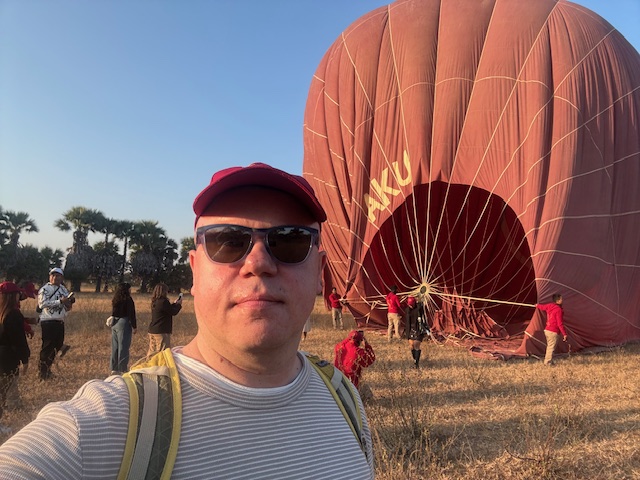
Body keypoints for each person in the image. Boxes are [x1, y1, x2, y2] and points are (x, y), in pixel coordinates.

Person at [0, 162, 374, 478]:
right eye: (228, 241)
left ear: (320, 272)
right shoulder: (108, 425)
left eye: (290, 241)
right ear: (195, 271)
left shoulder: (344, 400)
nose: (258, 262)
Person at [0, 282, 30, 435]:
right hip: (7, 360)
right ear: (13, 296)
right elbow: (19, 341)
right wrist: (25, 360)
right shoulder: (13, 314)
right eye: (18, 293)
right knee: (2, 393)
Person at [37, 267, 74, 380]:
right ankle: (42, 372)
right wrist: (59, 301)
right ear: (49, 277)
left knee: (57, 345)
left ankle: (47, 369)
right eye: (53, 275)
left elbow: (67, 306)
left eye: (57, 275)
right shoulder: (45, 289)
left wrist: (68, 303)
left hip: (59, 320)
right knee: (47, 346)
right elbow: (42, 304)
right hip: (48, 320)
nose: (55, 277)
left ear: (61, 278)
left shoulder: (63, 289)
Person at [147, 283, 182, 357]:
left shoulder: (155, 301)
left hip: (153, 330)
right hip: (161, 331)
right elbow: (173, 312)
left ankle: (148, 364)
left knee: (152, 353)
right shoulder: (164, 302)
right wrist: (179, 305)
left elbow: (167, 309)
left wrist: (174, 304)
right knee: (162, 353)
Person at [109, 282, 137, 374]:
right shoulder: (128, 299)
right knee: (123, 347)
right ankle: (122, 368)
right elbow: (131, 314)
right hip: (123, 323)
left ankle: (114, 368)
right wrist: (134, 326)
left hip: (115, 323)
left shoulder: (115, 299)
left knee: (115, 347)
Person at [536, 294, 567, 365]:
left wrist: (537, 305)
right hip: (553, 331)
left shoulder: (549, 306)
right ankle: (547, 362)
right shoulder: (558, 310)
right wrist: (564, 334)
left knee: (550, 347)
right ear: (558, 301)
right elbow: (559, 323)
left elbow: (542, 307)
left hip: (547, 330)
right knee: (551, 347)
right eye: (561, 299)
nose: (562, 300)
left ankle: (550, 361)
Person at [405, 296, 429, 368]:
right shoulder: (407, 310)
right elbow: (407, 322)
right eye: (409, 305)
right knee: (411, 346)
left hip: (419, 329)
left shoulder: (419, 308)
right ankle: (415, 359)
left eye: (412, 305)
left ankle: (416, 363)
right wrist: (407, 333)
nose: (410, 306)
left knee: (416, 345)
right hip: (410, 329)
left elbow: (423, 307)